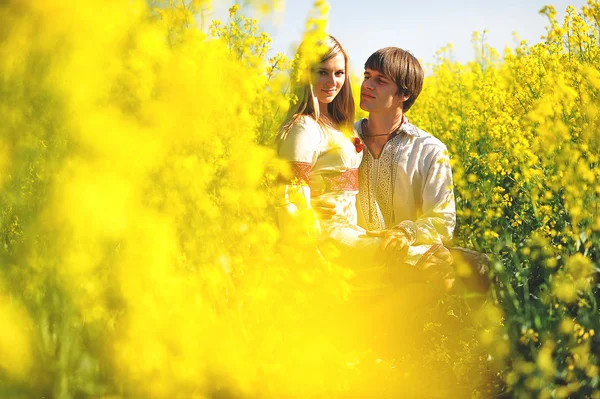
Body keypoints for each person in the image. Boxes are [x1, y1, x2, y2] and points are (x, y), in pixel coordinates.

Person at [276, 36, 452, 294]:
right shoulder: (314, 129)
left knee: (459, 265)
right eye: (367, 76)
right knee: (435, 269)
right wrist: (310, 203)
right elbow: (290, 197)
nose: (366, 85)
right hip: (332, 240)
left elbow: (443, 219)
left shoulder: (348, 133)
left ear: (405, 94)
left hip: (358, 236)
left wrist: (405, 233)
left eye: (338, 73)